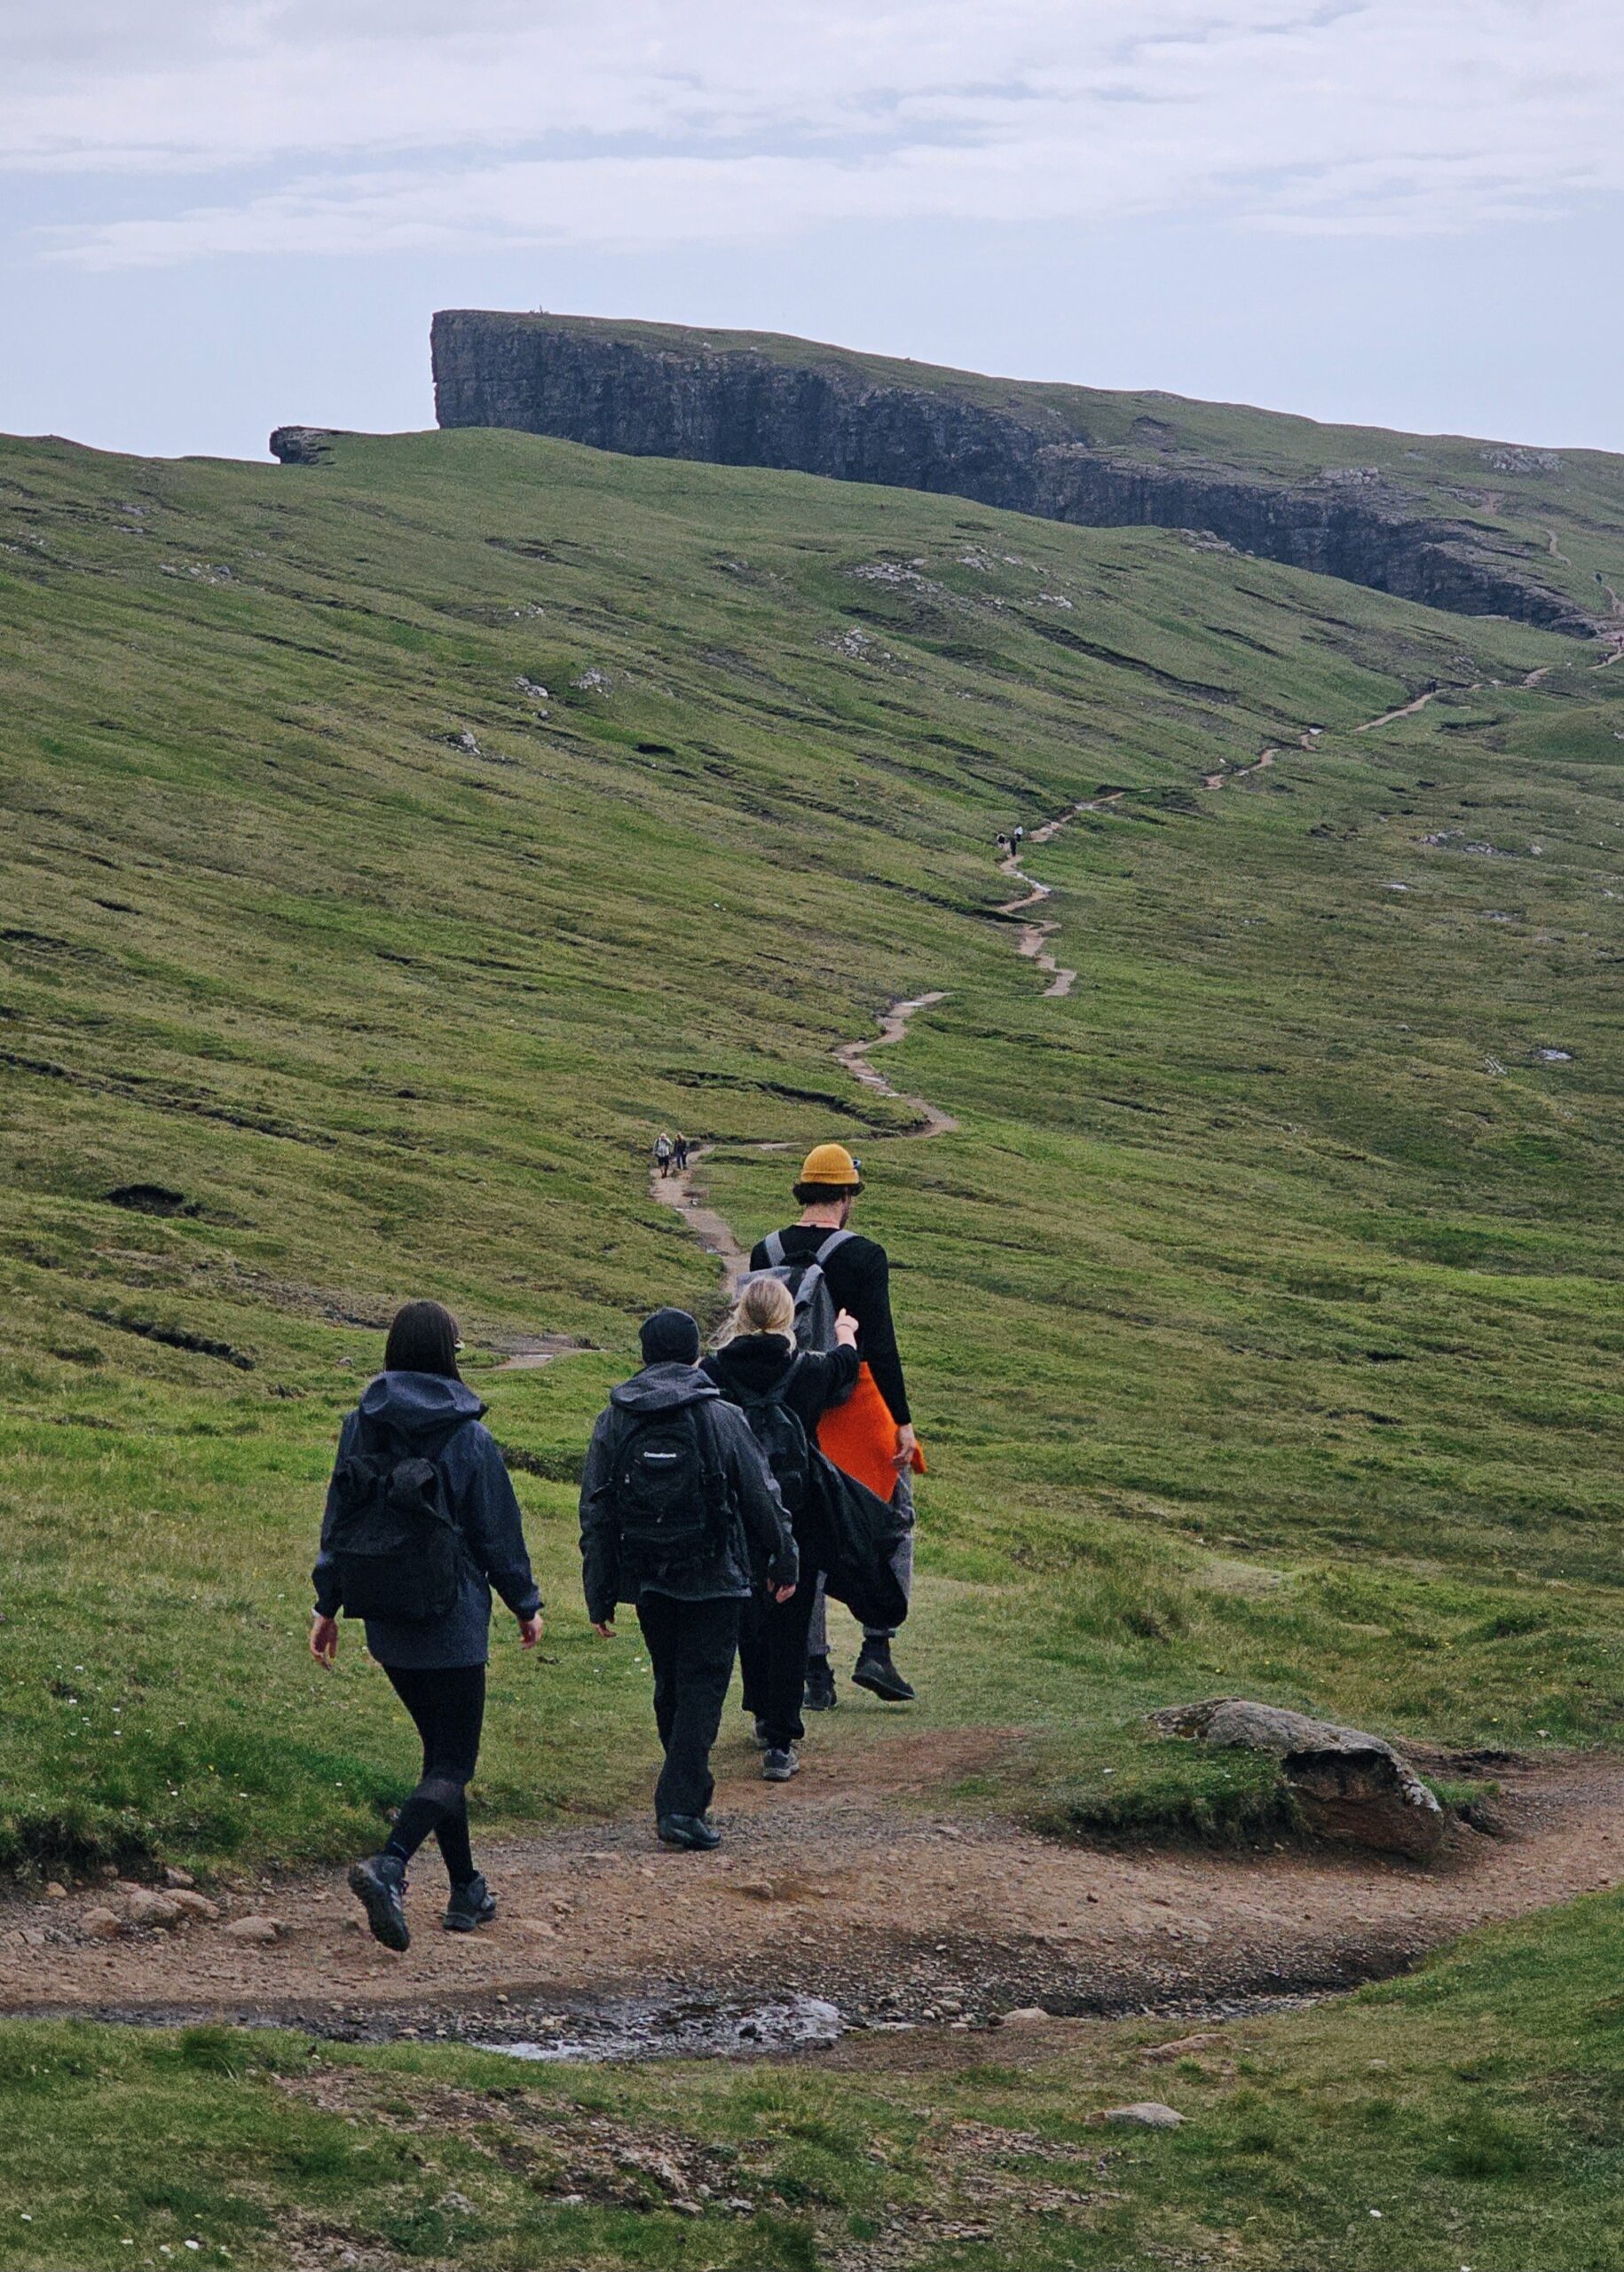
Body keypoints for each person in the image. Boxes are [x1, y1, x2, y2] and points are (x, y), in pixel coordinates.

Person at [311, 1299, 542, 1953]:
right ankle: (390, 1866)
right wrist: (525, 1603)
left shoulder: (360, 1425)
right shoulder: (468, 1436)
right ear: (449, 1354)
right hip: (453, 1614)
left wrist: (328, 1605)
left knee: (438, 1756)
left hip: (384, 1613)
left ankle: (466, 1889)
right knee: (452, 1762)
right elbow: (497, 1531)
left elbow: (339, 1520)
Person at [579, 1307, 798, 1850]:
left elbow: (596, 1512)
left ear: (644, 1355)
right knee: (702, 1686)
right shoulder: (720, 1416)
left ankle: (686, 1791)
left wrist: (599, 1592)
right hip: (715, 1573)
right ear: (697, 1355)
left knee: (670, 1684)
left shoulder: (614, 1419)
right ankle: (679, 1806)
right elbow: (762, 1495)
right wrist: (784, 1557)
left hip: (647, 1575)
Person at [748, 1142, 920, 1710]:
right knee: (894, 1517)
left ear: (803, 1190)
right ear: (846, 1195)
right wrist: (902, 1422)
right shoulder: (864, 1255)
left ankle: (814, 1673)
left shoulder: (765, 1251)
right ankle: (877, 1645)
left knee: (802, 1530)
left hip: (790, 1409)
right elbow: (883, 1345)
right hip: (855, 1400)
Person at [701, 1278, 859, 1782]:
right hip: (799, 1508)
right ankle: (780, 1740)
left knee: (749, 1612)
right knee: (792, 1620)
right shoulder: (807, 1369)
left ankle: (760, 1709)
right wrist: (845, 1331)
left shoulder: (713, 1371)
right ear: (787, 1317)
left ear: (741, 1315)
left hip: (737, 1507)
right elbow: (846, 1366)